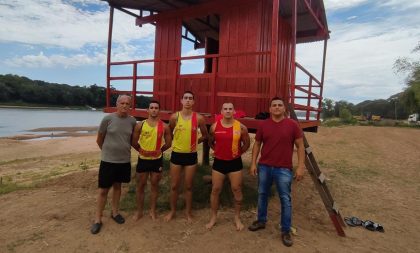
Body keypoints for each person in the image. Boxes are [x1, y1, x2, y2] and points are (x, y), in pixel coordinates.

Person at [248, 97, 305, 247]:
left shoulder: (292, 125)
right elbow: (257, 144)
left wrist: (300, 167)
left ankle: (285, 230)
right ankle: (261, 220)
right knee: (262, 194)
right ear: (270, 109)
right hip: (265, 167)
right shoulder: (264, 125)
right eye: (274, 105)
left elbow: (300, 146)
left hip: (284, 169)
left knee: (285, 199)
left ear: (284, 108)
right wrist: (253, 163)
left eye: (280, 105)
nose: (277, 107)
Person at [91, 95, 137, 234]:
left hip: (124, 161)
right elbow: (99, 139)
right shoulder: (108, 119)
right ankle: (98, 219)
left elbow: (132, 140)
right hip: (108, 161)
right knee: (103, 190)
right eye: (122, 103)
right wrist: (107, 153)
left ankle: (115, 213)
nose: (124, 105)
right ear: (117, 104)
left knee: (118, 187)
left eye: (127, 103)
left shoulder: (132, 121)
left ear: (130, 106)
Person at [164, 91, 208, 222]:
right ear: (181, 101)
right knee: (174, 186)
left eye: (190, 99)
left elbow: (205, 135)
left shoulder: (199, 118)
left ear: (193, 102)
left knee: (188, 186)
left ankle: (188, 213)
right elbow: (169, 133)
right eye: (186, 98)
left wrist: (195, 142)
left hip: (191, 156)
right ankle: (172, 211)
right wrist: (175, 142)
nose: (188, 101)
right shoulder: (174, 117)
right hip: (177, 155)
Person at [205, 102, 250, 231]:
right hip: (219, 162)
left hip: (235, 163)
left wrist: (238, 153)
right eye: (225, 109)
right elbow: (210, 141)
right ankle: (213, 217)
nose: (228, 111)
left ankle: (237, 217)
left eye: (230, 109)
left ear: (234, 111)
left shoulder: (241, 128)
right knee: (215, 190)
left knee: (236, 189)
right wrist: (217, 150)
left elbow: (246, 144)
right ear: (222, 111)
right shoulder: (214, 126)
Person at [131, 100, 172, 221]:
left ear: (159, 110)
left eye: (156, 108)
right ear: (147, 110)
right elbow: (133, 141)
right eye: (152, 107)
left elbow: (169, 143)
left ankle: (152, 211)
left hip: (156, 160)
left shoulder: (164, 126)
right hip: (143, 160)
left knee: (154, 185)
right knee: (141, 186)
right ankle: (139, 212)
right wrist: (140, 150)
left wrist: (160, 150)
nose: (154, 109)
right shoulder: (140, 125)